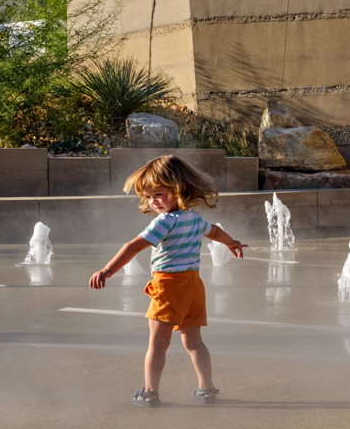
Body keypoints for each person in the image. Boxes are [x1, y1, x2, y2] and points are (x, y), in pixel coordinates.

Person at [88, 155, 245, 407]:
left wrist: (108, 269)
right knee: (194, 341)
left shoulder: (164, 222)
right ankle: (206, 388)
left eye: (158, 194)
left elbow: (134, 246)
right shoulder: (193, 218)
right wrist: (231, 242)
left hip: (169, 286)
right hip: (194, 287)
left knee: (157, 344)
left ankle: (150, 391)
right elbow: (213, 230)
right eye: (149, 197)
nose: (153, 202)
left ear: (178, 189)